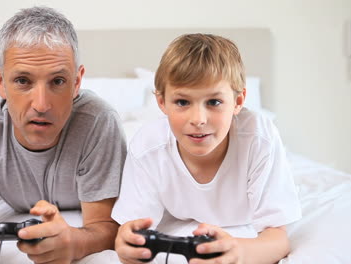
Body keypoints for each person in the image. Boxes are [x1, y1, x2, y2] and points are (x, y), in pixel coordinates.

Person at [0, 6, 126, 264]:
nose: (41, 104)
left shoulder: (99, 121)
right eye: (23, 81)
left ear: (77, 82)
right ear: (0, 81)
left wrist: (74, 243)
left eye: (58, 81)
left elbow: (105, 225)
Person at [112, 34, 301, 264]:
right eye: (182, 102)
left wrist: (239, 253)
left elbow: (279, 238)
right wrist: (127, 245)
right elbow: (130, 229)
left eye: (214, 102)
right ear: (161, 102)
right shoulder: (147, 147)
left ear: (239, 102)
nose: (199, 119)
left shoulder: (259, 138)